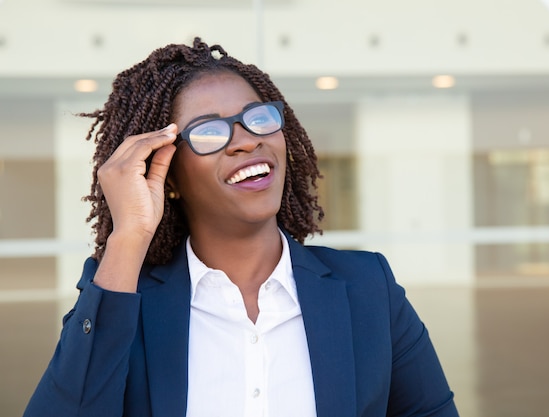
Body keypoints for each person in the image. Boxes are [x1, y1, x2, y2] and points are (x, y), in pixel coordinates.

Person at [23, 37, 459, 417]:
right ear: (167, 173)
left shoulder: (368, 290)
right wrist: (130, 234)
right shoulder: (125, 300)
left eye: (259, 117)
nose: (247, 139)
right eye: (209, 132)